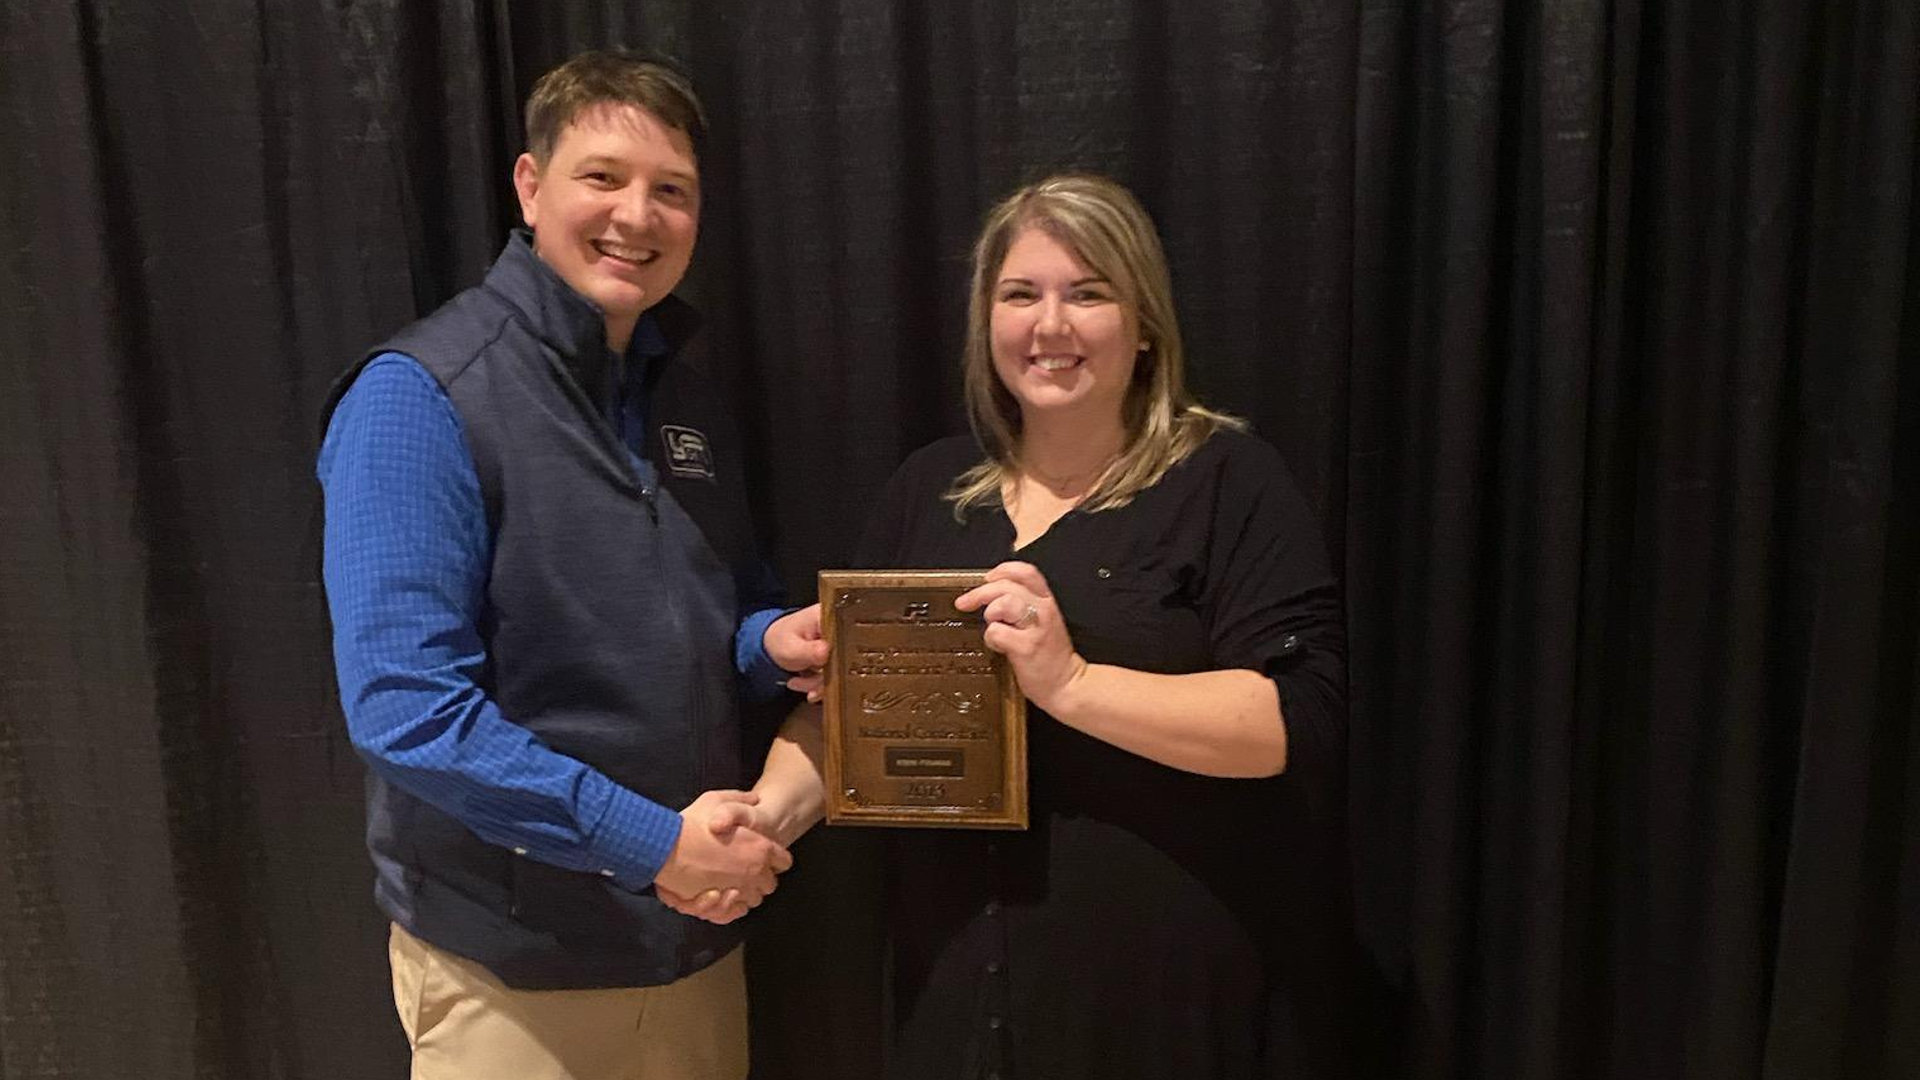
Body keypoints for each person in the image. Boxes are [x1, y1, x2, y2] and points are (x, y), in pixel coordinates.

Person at [699, 174, 1353, 1077]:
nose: (1051, 326)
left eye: (1088, 293)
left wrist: (1070, 684)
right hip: (956, 989)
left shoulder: (1227, 482)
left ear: (1145, 320)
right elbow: (847, 714)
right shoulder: (927, 493)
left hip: (1158, 1000)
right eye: (1021, 295)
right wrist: (765, 817)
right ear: (986, 319)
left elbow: (1295, 722)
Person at [317, 51, 827, 1080]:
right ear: (530, 184)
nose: (637, 216)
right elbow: (407, 709)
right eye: (603, 176)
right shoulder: (419, 397)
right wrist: (653, 845)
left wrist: (769, 645)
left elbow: (695, 629)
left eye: (670, 191)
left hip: (693, 949)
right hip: (516, 980)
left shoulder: (683, 401)